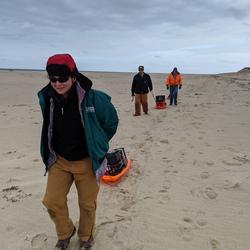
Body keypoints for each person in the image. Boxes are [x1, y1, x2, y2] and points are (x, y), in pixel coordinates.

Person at [37, 53, 119, 250]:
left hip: (87, 161)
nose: (57, 83)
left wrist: (97, 143)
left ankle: (85, 237)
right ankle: (65, 232)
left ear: (73, 76)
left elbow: (111, 122)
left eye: (62, 78)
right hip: (59, 160)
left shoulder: (93, 98)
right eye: (53, 79)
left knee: (87, 204)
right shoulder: (46, 98)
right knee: (51, 201)